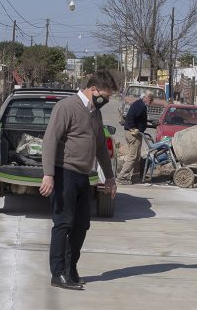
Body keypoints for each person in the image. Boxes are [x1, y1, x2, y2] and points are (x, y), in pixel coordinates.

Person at [40, 70, 118, 290]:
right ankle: (58, 273)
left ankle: (71, 267)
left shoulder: (95, 112)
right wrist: (49, 174)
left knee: (82, 224)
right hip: (64, 172)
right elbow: (50, 140)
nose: (106, 100)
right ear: (93, 90)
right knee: (63, 223)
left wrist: (110, 177)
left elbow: (101, 147)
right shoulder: (66, 107)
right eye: (104, 96)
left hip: (84, 175)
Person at [118, 91, 152, 184]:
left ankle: (135, 177)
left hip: (135, 133)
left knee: (137, 156)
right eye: (150, 99)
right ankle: (121, 177)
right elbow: (130, 116)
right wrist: (132, 127)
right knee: (133, 156)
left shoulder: (140, 104)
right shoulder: (140, 105)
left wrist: (150, 124)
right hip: (133, 134)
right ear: (145, 97)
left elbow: (139, 119)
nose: (151, 101)